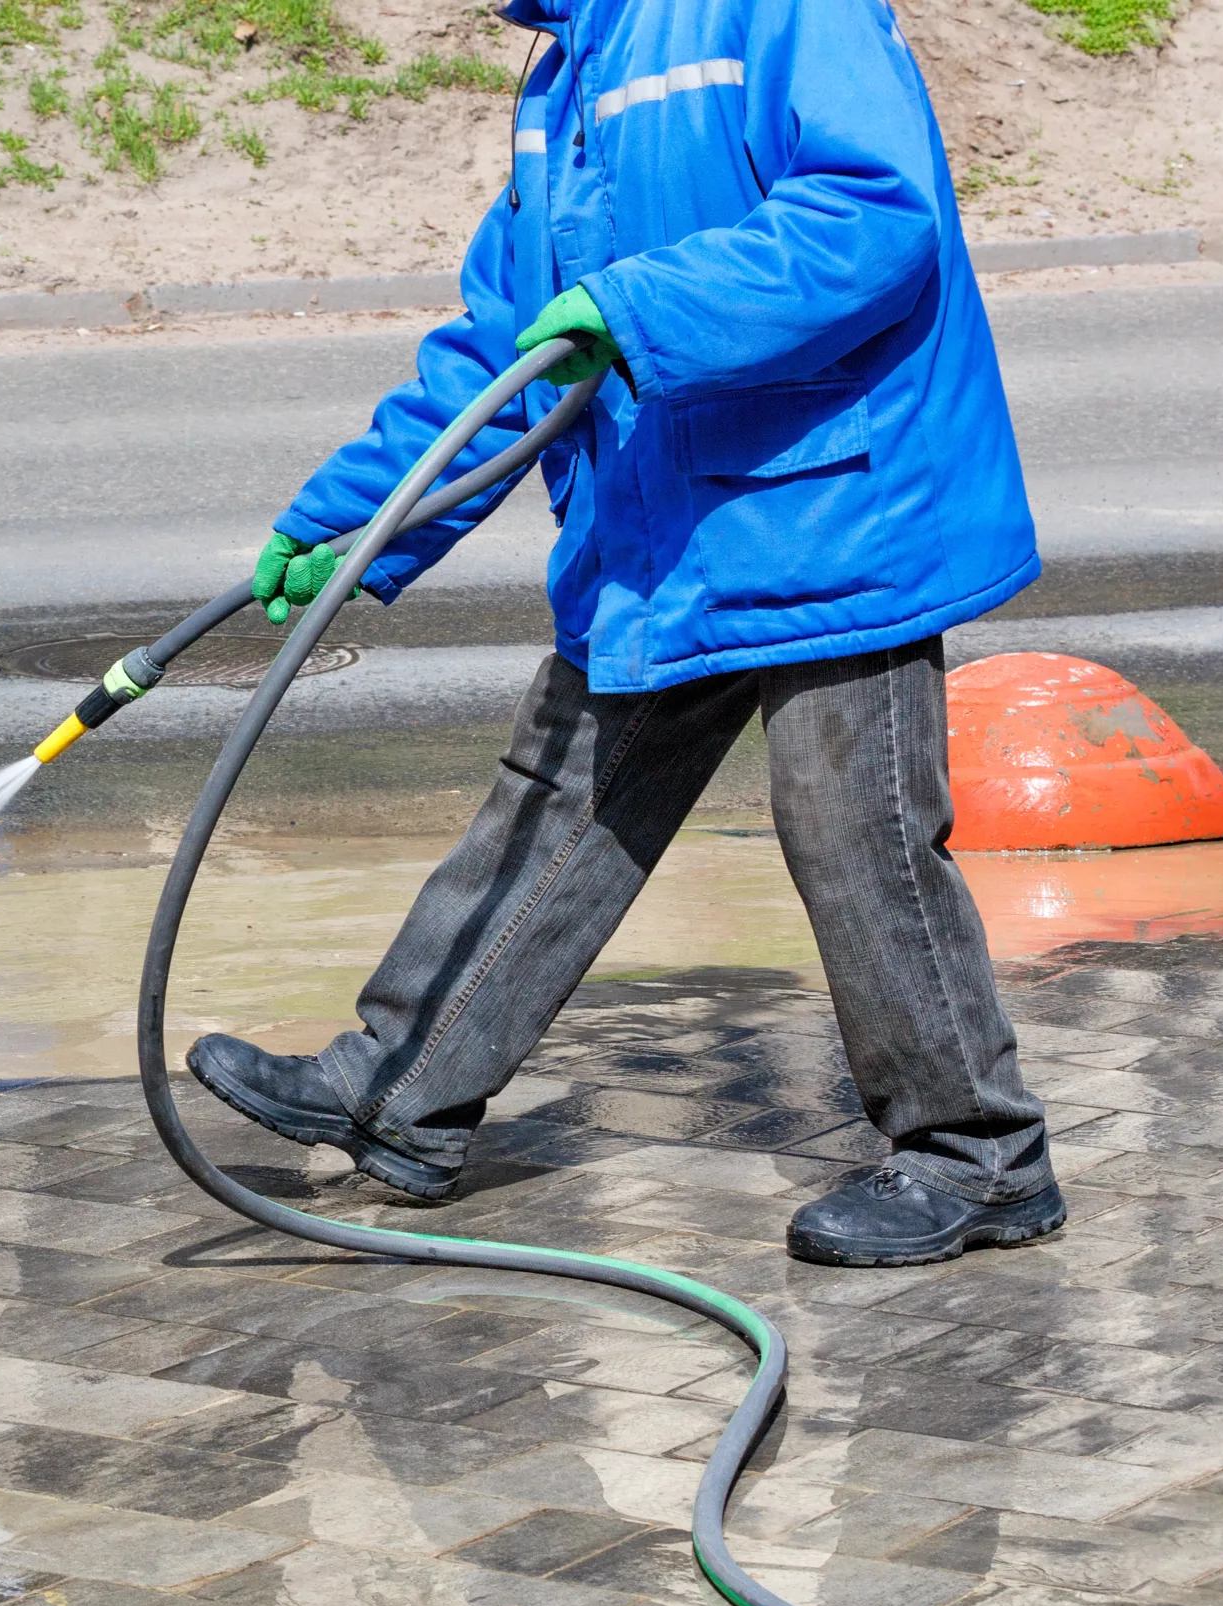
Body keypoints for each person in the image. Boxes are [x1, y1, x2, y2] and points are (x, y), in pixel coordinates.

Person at [186, 0, 1063, 1267]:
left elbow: (875, 217)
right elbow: (506, 344)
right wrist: (357, 524)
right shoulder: (565, 72)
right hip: (673, 522)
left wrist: (636, 304)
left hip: (837, 507)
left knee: (851, 828)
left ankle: (977, 1155)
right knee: (560, 796)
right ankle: (398, 1084)